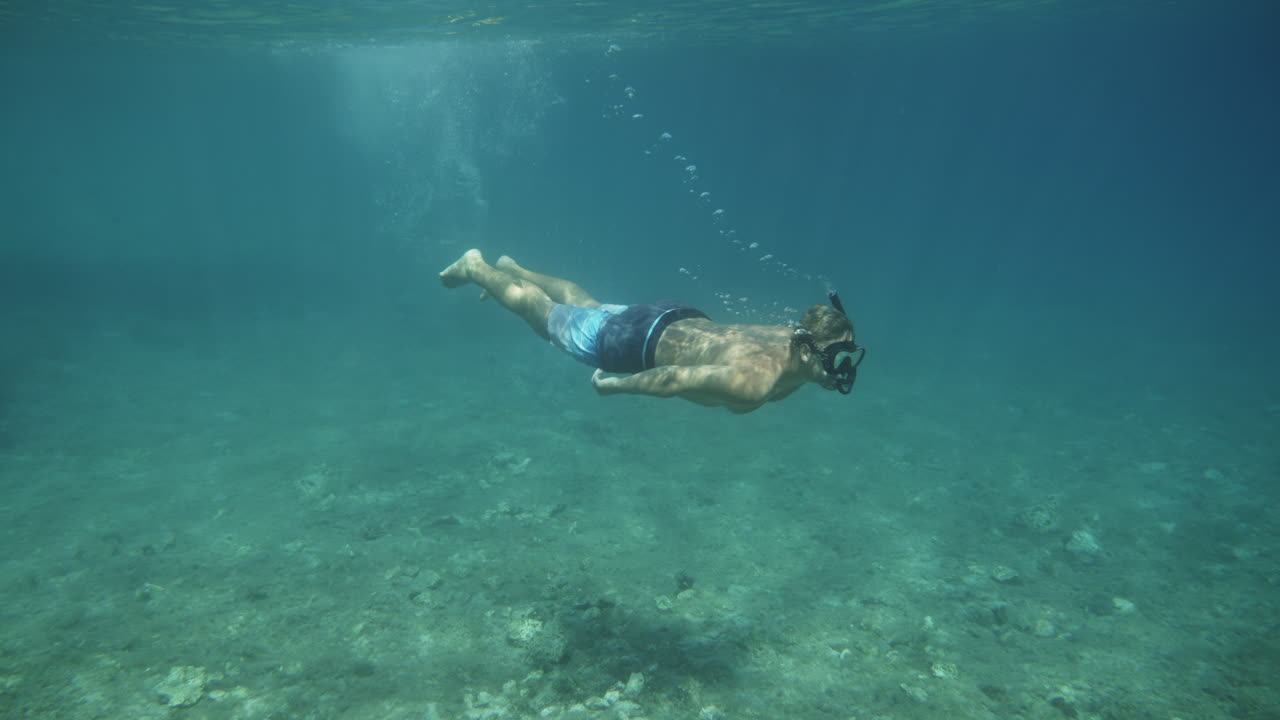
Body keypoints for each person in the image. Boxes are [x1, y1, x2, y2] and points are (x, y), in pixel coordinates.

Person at [440, 249, 865, 414]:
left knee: (590, 307)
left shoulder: (794, 337)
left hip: (673, 317)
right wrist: (614, 386)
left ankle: (513, 269)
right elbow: (674, 379)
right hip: (635, 346)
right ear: (807, 350)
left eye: (847, 356)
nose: (844, 368)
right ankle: (476, 267)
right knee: (544, 317)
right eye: (838, 357)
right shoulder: (755, 382)